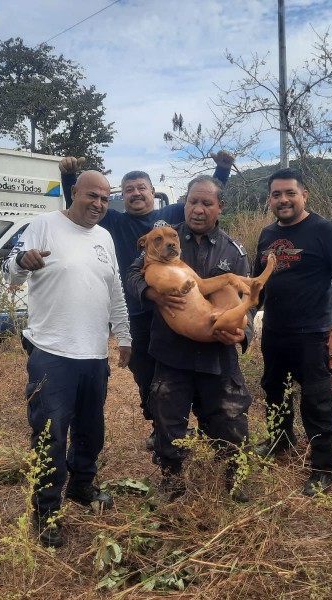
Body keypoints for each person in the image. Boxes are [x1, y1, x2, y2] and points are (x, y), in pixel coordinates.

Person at [60, 153, 234, 450]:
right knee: (146, 374)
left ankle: (198, 425)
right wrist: (69, 179)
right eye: (129, 190)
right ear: (122, 196)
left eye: (142, 187)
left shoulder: (175, 216)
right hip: (137, 311)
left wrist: (222, 169)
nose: (136, 193)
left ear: (153, 193)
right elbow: (80, 203)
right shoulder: (114, 220)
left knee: (177, 371)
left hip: (175, 311)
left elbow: (205, 199)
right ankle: (159, 425)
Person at [3, 170, 131, 549]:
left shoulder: (105, 237)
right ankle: (45, 513)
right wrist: (23, 261)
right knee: (50, 435)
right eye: (92, 196)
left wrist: (124, 337)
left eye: (105, 199)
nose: (98, 204)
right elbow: (10, 269)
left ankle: (81, 486)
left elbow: (116, 291)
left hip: (94, 353)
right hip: (52, 352)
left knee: (91, 430)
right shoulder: (43, 225)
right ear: (74, 192)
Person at [127, 175, 253, 503]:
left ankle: (235, 477)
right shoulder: (163, 238)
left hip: (217, 353)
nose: (197, 209)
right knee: (168, 418)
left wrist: (243, 332)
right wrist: (152, 292)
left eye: (206, 203)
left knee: (228, 418)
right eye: (192, 201)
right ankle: (172, 481)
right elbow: (131, 275)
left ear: (220, 207)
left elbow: (247, 297)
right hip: (172, 353)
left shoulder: (234, 250)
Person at [252, 168, 332, 497]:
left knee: (317, 401)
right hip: (275, 331)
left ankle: (324, 468)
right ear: (269, 199)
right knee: (274, 391)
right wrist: (244, 314)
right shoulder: (267, 234)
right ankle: (281, 440)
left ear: (304, 195)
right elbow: (257, 282)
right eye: (276, 194)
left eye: (290, 193)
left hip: (312, 334)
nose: (283, 200)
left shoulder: (324, 230)